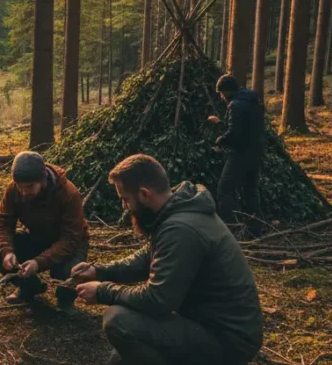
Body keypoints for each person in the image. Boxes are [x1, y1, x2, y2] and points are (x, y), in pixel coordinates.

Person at [72, 154, 263, 365]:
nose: (124, 207)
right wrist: (99, 271)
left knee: (118, 321)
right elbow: (146, 258)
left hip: (228, 341)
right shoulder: (176, 211)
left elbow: (158, 299)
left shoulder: (180, 229)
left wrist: (102, 291)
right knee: (121, 358)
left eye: (125, 199)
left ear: (144, 194)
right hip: (205, 325)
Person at [0, 151, 89, 308]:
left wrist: (38, 262)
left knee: (66, 273)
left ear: (43, 180)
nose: (24, 192)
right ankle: (30, 288)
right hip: (37, 238)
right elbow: (3, 223)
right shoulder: (13, 190)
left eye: (29, 187)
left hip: (70, 245)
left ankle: (65, 300)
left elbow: (70, 239)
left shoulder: (68, 193)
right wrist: (7, 252)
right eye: (20, 187)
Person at [208, 74, 265, 235]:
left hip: (241, 153)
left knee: (225, 189)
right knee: (250, 189)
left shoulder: (235, 105)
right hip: (256, 151)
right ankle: (255, 228)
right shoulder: (252, 101)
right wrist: (220, 123)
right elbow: (244, 127)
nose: (221, 97)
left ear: (226, 91)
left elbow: (235, 133)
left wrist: (220, 140)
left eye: (221, 93)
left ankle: (230, 229)